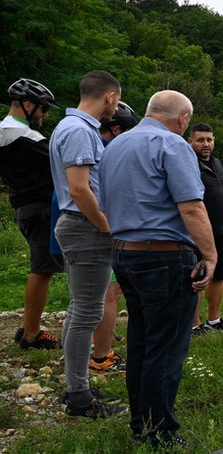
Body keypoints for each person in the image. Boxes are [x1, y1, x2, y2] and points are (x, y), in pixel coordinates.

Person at [99, 90, 216, 448]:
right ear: (183, 120)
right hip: (164, 256)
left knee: (142, 341)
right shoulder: (174, 145)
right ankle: (158, 431)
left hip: (124, 254)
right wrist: (210, 256)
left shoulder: (114, 146)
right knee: (166, 347)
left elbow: (106, 202)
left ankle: (141, 421)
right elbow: (192, 208)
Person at [49, 70, 124, 419]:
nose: (116, 109)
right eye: (117, 101)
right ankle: (79, 396)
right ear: (110, 97)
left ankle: (76, 384)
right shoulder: (80, 130)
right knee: (87, 312)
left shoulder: (71, 127)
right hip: (86, 228)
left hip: (80, 226)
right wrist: (107, 227)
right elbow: (79, 189)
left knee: (80, 308)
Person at [0, 78, 64, 350]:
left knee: (43, 267)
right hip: (40, 208)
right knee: (42, 268)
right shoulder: (25, 136)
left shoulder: (5, 130)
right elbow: (62, 163)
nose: (45, 114)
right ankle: (32, 334)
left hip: (23, 206)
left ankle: (29, 326)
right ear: (27, 105)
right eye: (42, 108)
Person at [88, 101, 140, 376]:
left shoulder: (94, 146)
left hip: (90, 226)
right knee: (109, 292)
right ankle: (101, 356)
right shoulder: (110, 153)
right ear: (117, 130)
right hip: (106, 227)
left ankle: (101, 339)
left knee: (99, 292)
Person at [188, 123, 223, 334]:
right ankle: (194, 323)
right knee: (198, 277)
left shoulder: (217, 163)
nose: (206, 144)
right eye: (200, 140)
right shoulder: (188, 164)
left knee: (218, 275)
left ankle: (214, 320)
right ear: (191, 142)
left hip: (220, 230)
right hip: (198, 232)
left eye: (209, 140)